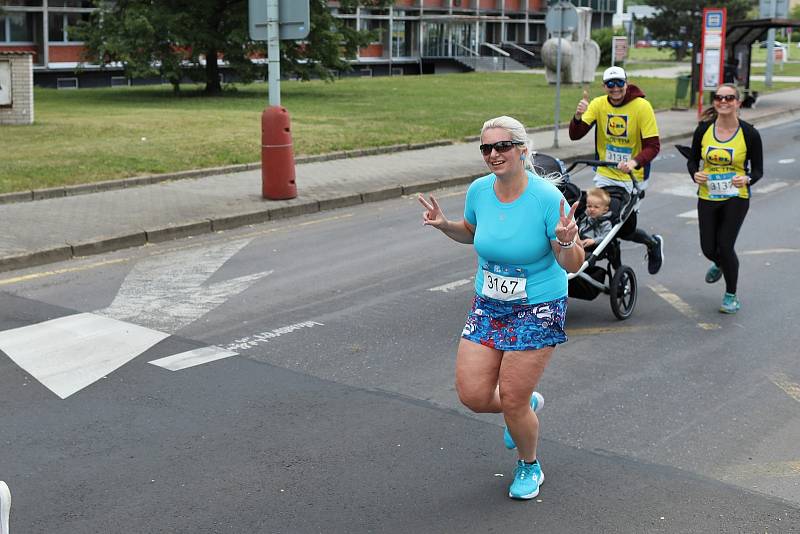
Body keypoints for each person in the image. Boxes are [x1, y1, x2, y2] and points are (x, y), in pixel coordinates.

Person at [418, 115, 584, 500]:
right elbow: (473, 233)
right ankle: (525, 406)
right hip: (488, 304)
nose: (494, 154)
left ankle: (530, 464)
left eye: (502, 146)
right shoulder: (479, 191)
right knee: (473, 395)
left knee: (512, 398)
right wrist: (445, 225)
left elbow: (572, 264)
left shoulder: (546, 199)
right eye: (486, 148)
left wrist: (565, 240)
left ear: (522, 150)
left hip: (537, 307)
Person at [569, 66, 665, 275]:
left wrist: (634, 162)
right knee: (605, 219)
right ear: (604, 86)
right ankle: (616, 273)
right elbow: (575, 135)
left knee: (624, 229)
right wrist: (577, 117)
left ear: (626, 83)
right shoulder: (598, 104)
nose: (615, 88)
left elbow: (653, 146)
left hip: (633, 177)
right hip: (605, 173)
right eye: (610, 84)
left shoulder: (641, 107)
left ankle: (652, 243)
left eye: (619, 83)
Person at [686, 83, 763, 314]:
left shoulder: (749, 133)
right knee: (709, 247)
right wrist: (694, 174)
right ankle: (719, 263)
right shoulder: (704, 129)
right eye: (719, 97)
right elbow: (692, 160)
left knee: (726, 245)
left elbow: (758, 171)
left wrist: (747, 179)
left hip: (735, 196)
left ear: (738, 103)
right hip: (708, 194)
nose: (723, 101)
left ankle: (731, 295)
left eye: (729, 98)